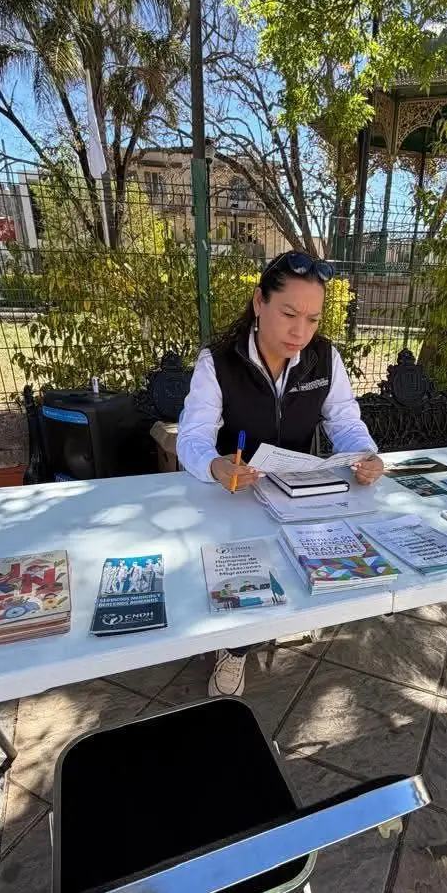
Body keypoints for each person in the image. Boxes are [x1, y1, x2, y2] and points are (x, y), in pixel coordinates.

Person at [177, 250, 384, 697]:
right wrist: (215, 464)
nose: (300, 332)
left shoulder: (324, 358)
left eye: (313, 319)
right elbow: (192, 436)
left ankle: (285, 615)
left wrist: (366, 454)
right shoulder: (219, 361)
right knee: (242, 570)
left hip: (296, 489)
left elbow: (345, 421)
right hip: (234, 492)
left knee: (311, 564)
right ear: (259, 302)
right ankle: (234, 648)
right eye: (289, 314)